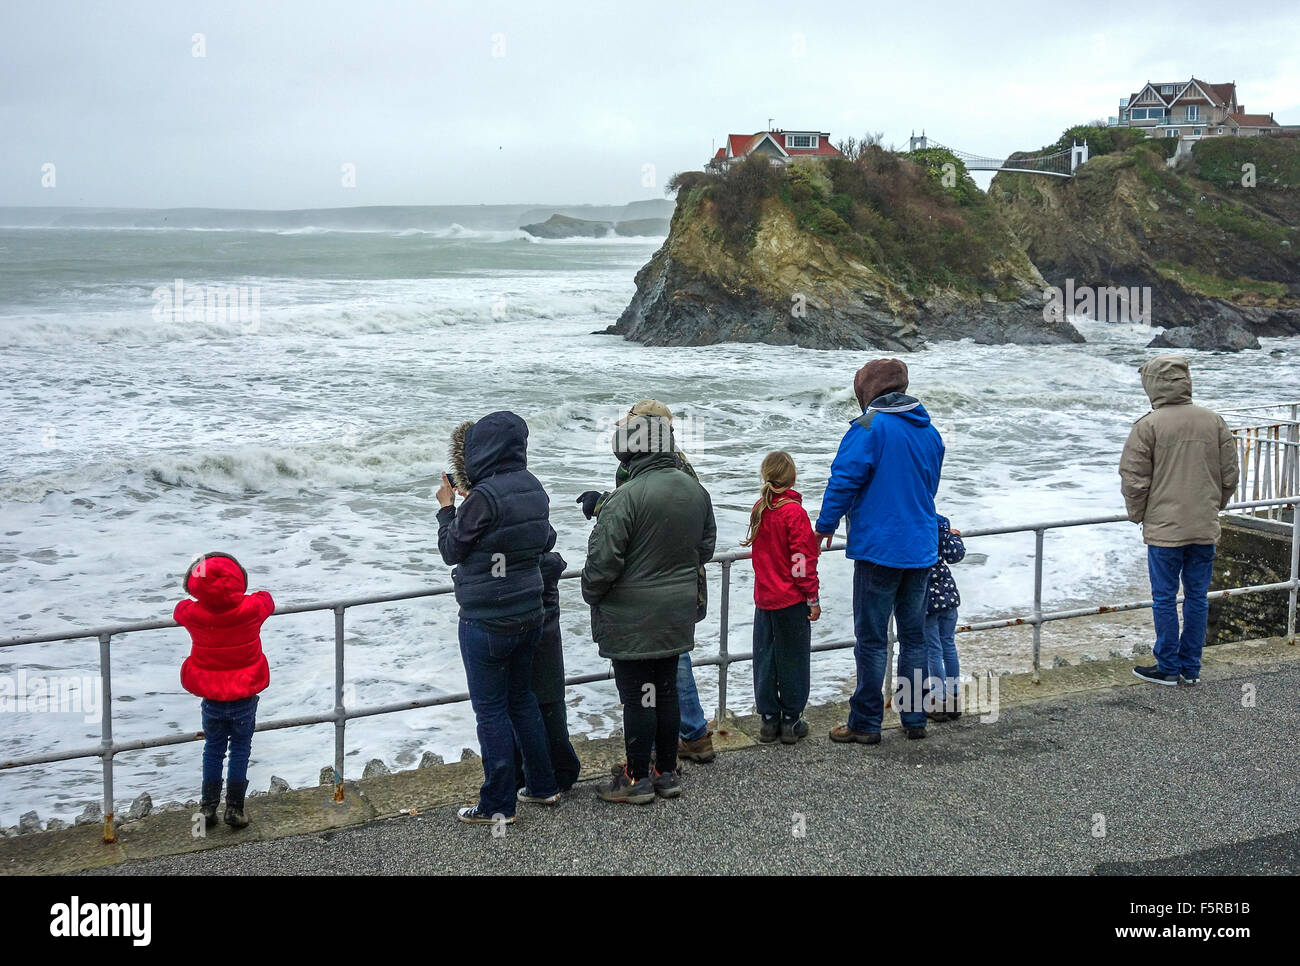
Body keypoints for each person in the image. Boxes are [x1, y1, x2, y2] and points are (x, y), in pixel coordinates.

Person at [582, 412, 716, 804]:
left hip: (633, 618)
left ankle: (637, 777)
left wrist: (593, 593)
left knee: (639, 695)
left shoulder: (624, 498)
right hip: (678, 611)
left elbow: (601, 566)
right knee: (666, 691)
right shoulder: (695, 491)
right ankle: (667, 772)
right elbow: (704, 549)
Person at [438, 411, 560, 825]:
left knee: (490, 710)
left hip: (487, 619)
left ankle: (496, 804)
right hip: (530, 611)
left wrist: (446, 509)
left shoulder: (483, 498)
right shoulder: (534, 487)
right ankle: (543, 786)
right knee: (522, 699)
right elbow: (545, 539)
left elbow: (452, 550)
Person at [815, 358, 945, 743]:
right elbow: (929, 487)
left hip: (880, 549)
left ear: (867, 393)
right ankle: (914, 717)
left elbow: (844, 479)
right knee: (914, 638)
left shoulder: (869, 426)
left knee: (872, 639)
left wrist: (825, 525)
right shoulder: (930, 431)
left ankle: (866, 723)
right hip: (921, 547)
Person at [1119, 355, 1239, 686]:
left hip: (1164, 531)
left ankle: (1167, 667)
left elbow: (1134, 479)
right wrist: (1213, 506)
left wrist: (1138, 515)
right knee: (1197, 598)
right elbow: (1230, 475)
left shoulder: (1148, 425)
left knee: (1164, 598)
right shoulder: (1213, 420)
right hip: (1204, 527)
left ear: (1153, 385)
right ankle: (1192, 667)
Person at [174, 551, 273, 830]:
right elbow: (267, 599)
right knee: (241, 747)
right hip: (244, 696)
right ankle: (235, 809)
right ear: (239, 580)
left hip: (212, 699)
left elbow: (179, 609)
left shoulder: (193, 613)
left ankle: (207, 808)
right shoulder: (252, 608)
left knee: (213, 748)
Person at [741, 450, 821, 744]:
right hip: (790, 600)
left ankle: (768, 720)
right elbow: (800, 561)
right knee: (793, 659)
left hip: (764, 598)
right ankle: (791, 720)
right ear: (792, 478)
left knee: (765, 659)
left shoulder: (759, 508)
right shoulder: (794, 513)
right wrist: (811, 597)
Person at [513, 540, 581, 793]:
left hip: (521, 638)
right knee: (551, 704)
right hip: (548, 640)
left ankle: (525, 774)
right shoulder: (549, 563)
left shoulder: (516, 567)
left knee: (519, 706)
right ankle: (562, 769)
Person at [923, 514, 965, 722]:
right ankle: (954, 697)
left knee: (933, 650)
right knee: (948, 644)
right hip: (948, 595)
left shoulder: (917, 523)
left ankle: (938, 700)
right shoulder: (940, 523)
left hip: (927, 600)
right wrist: (953, 537)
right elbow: (956, 555)